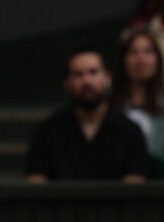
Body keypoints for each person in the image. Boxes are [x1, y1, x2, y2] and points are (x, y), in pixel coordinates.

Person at [24, 42, 149, 182]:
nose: (87, 81)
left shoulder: (130, 131)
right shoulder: (47, 131)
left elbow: (135, 189)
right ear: (67, 83)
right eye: (78, 74)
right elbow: (35, 185)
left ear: (107, 77)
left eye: (93, 72)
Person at [108, 28, 164, 161]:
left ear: (158, 59)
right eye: (133, 52)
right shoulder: (109, 102)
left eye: (148, 52)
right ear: (123, 60)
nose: (141, 59)